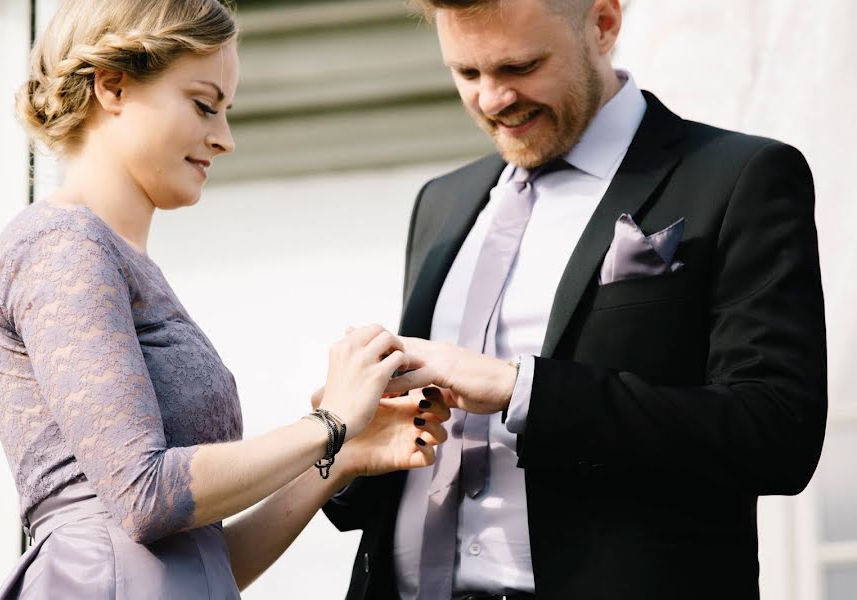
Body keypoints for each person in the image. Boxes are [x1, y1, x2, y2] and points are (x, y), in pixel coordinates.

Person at [323, 0, 827, 598]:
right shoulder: (442, 202)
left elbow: (775, 434)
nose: (492, 99)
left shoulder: (741, 177)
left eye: (520, 67)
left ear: (604, 24)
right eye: (467, 73)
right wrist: (348, 437)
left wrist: (521, 390)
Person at [0, 1, 449, 598]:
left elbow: (204, 564)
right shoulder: (61, 246)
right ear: (112, 86)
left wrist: (342, 456)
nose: (223, 139)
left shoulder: (114, 261)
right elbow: (144, 497)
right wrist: (327, 424)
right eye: (204, 105)